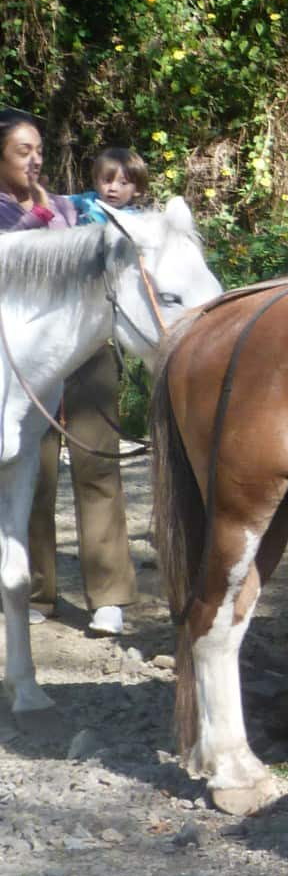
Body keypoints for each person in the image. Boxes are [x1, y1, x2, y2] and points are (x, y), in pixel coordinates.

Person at [0, 122, 142, 636]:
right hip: (19, 366)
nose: (34, 160)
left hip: (84, 352)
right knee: (30, 474)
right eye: (22, 151)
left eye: (39, 151)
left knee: (98, 466)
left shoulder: (68, 208)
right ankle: (37, 590)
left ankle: (109, 596)